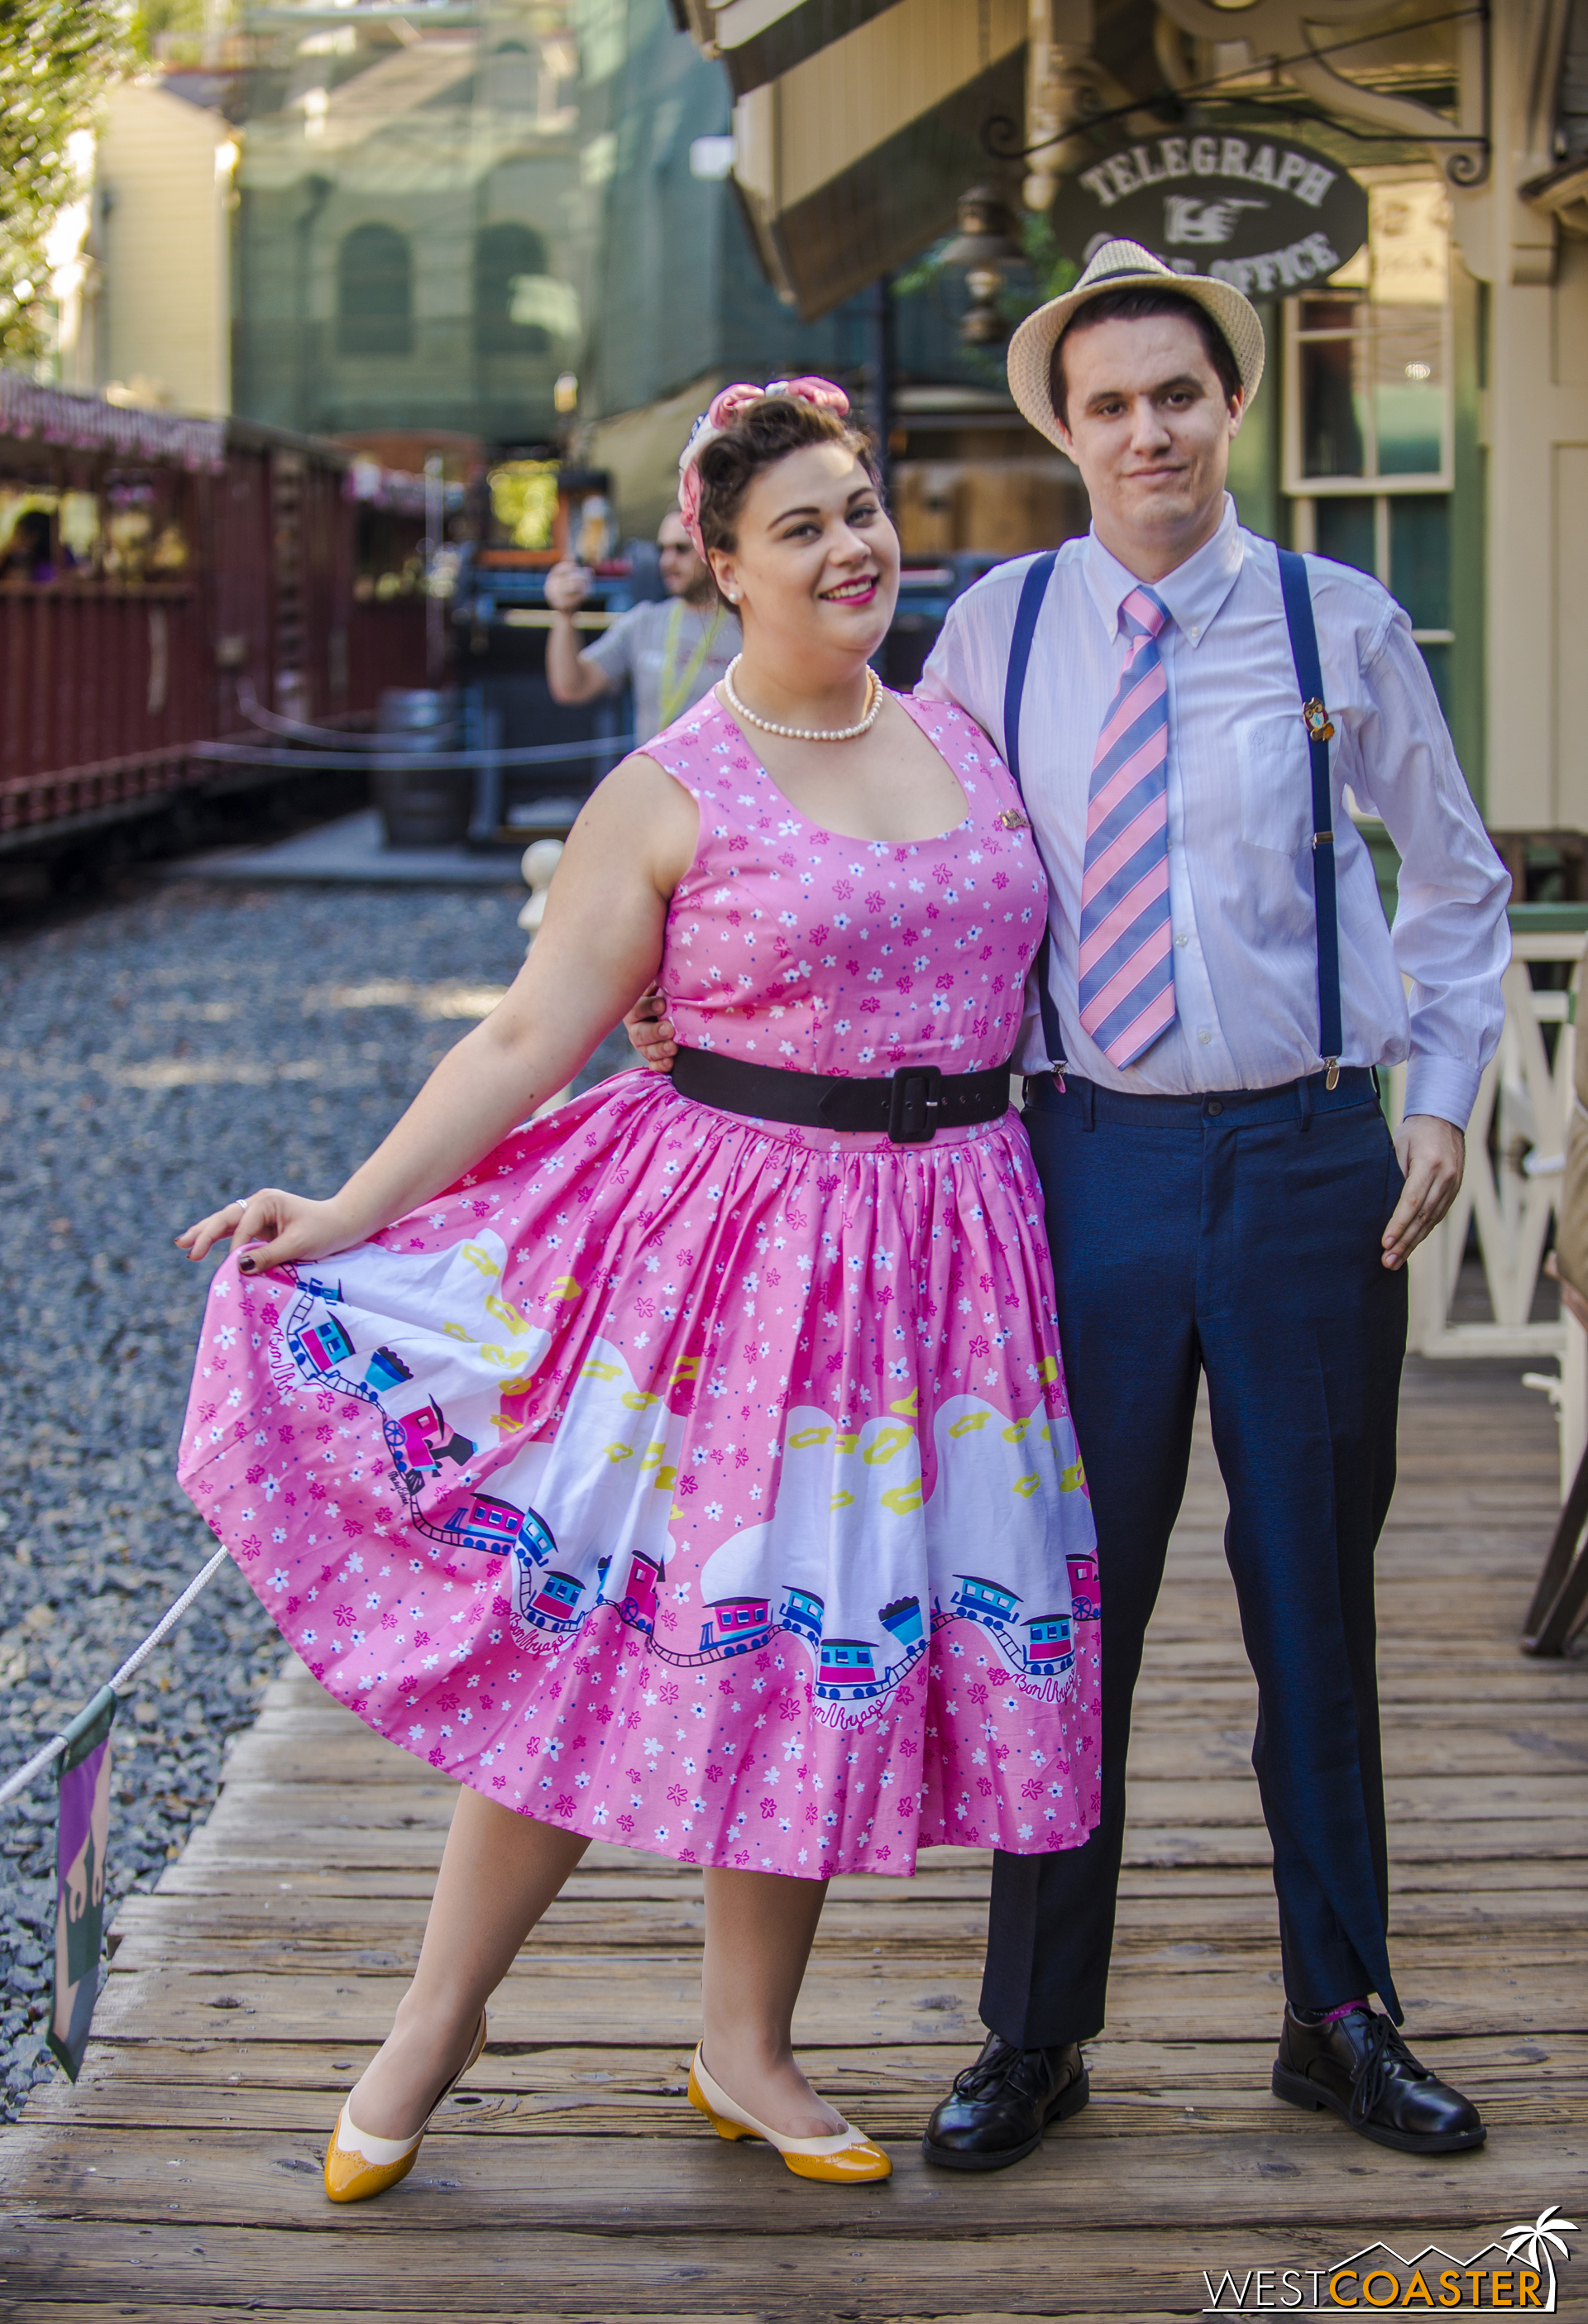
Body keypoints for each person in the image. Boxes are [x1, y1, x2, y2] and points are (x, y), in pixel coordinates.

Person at [174, 376, 1102, 2207]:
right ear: (723, 568)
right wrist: (349, 1201)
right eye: (804, 528)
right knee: (592, 1633)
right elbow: (531, 1030)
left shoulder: (972, 741)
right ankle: (438, 2018)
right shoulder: (669, 785)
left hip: (943, 1268)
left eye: (861, 510)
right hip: (721, 1271)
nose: (852, 549)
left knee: (820, 1637)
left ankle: (745, 2041)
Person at [629, 245, 1510, 2166]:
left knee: (1315, 1609)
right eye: (1107, 404)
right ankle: (1034, 2032)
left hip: (1301, 1164)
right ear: (1065, 428)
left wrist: (1436, 1103)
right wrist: (683, 989)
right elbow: (870, 853)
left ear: (1227, 408)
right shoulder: (989, 637)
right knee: (1064, 1617)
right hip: (1073, 1171)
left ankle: (1339, 2012)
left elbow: (1454, 888)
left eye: (1175, 395)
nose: (1146, 432)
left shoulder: (1332, 621)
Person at [545, 502, 741, 741]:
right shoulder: (642, 623)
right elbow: (571, 687)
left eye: (681, 549)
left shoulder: (748, 627)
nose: (667, 561)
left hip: (720, 777)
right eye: (662, 550)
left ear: (713, 553)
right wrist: (564, 614)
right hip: (655, 777)